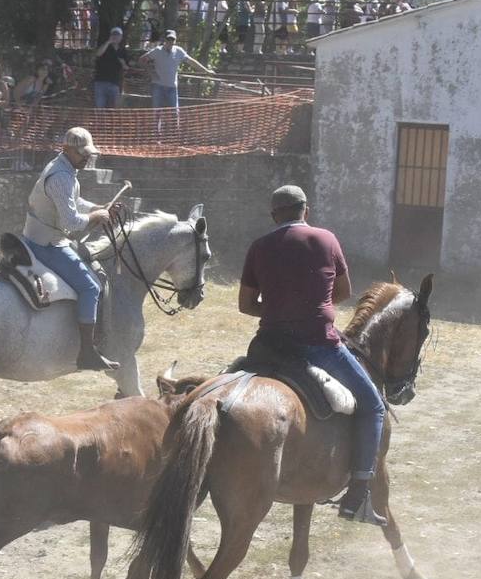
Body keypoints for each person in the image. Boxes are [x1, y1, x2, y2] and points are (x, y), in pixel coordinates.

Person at [238, 184, 388, 525]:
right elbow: (345, 291)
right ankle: (358, 495)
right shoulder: (326, 239)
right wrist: (309, 308)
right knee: (373, 406)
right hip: (318, 344)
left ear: (273, 215)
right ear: (306, 210)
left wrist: (279, 310)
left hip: (268, 344)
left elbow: (246, 304)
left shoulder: (259, 246)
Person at [22, 126, 118, 372]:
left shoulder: (65, 170)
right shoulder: (61, 177)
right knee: (90, 286)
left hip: (48, 237)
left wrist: (96, 207)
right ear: (66, 149)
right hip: (46, 242)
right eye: (82, 153)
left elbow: (74, 203)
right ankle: (87, 352)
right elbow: (70, 223)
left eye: (88, 153)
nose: (87, 157)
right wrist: (97, 215)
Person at [137, 30, 212, 113]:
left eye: (172, 40)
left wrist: (206, 71)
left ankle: (175, 126)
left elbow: (191, 62)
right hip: (158, 86)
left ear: (175, 41)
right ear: (164, 40)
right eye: (169, 39)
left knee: (175, 113)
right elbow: (141, 60)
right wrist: (151, 73)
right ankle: (156, 126)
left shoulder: (179, 51)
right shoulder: (157, 51)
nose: (170, 42)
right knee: (157, 112)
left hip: (172, 87)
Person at [92, 27, 128, 109]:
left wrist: (123, 63)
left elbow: (127, 67)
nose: (115, 37)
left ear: (121, 37)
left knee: (114, 108)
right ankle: (99, 122)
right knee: (100, 107)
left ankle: (112, 122)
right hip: (100, 82)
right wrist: (108, 42)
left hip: (115, 83)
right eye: (114, 35)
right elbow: (98, 54)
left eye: (118, 35)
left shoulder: (123, 50)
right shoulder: (105, 47)